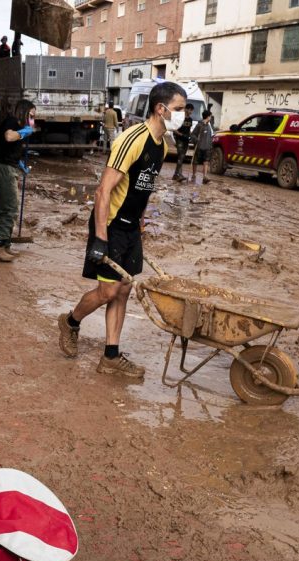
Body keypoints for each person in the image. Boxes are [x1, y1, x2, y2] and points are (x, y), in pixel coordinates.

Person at [57, 82, 188, 377]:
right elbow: (103, 190)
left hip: (130, 227)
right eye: (179, 109)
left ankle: (110, 357)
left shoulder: (162, 145)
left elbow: (143, 190)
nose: (183, 115)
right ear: (161, 108)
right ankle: (70, 322)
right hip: (111, 225)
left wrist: (140, 225)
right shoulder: (132, 140)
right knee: (108, 290)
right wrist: (100, 237)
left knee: (124, 289)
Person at [0, 100, 36, 262]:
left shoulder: (18, 124)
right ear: (24, 112)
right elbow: (8, 137)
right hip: (2, 169)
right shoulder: (12, 121)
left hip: (7, 166)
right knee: (10, 209)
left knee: (4, 208)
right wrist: (24, 132)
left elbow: (8, 148)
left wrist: (20, 164)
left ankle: (4, 245)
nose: (32, 119)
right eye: (31, 115)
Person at [189, 110, 214, 185]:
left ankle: (205, 177)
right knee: (195, 161)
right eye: (210, 116)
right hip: (199, 147)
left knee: (206, 162)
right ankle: (194, 175)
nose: (211, 118)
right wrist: (197, 140)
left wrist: (210, 144)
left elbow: (210, 136)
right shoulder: (199, 125)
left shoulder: (209, 125)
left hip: (207, 147)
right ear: (208, 116)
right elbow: (193, 135)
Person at [172, 105, 194, 182]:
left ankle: (176, 175)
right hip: (179, 140)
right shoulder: (180, 118)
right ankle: (178, 174)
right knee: (180, 157)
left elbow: (189, 130)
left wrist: (192, 136)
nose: (191, 111)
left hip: (186, 140)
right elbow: (174, 129)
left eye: (192, 110)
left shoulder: (190, 120)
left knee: (182, 158)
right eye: (190, 110)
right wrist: (181, 135)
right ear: (186, 109)